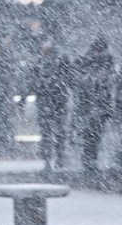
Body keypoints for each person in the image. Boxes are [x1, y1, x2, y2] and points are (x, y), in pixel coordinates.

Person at [26, 38, 71, 171]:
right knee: (49, 133)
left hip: (55, 101)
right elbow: (31, 80)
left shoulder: (59, 62)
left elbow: (68, 78)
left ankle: (57, 158)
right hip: (48, 101)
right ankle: (49, 159)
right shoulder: (40, 63)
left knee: (56, 132)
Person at [75, 38, 115, 174]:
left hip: (95, 105)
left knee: (92, 135)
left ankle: (89, 161)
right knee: (92, 135)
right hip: (95, 105)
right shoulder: (101, 62)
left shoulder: (95, 61)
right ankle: (89, 161)